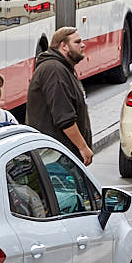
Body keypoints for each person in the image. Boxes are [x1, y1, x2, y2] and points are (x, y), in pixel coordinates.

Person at [26, 27, 94, 165]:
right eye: (77, 42)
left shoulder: (61, 69)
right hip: (55, 158)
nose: (83, 45)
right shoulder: (54, 71)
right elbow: (64, 117)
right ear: (64, 46)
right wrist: (83, 147)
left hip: (59, 156)